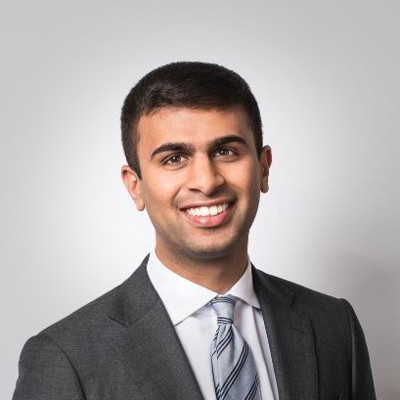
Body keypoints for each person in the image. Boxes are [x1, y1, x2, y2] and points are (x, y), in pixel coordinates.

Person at [13, 62, 376, 400]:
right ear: (135, 186)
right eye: (174, 158)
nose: (206, 181)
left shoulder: (333, 325)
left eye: (226, 151)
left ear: (263, 169)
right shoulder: (65, 358)